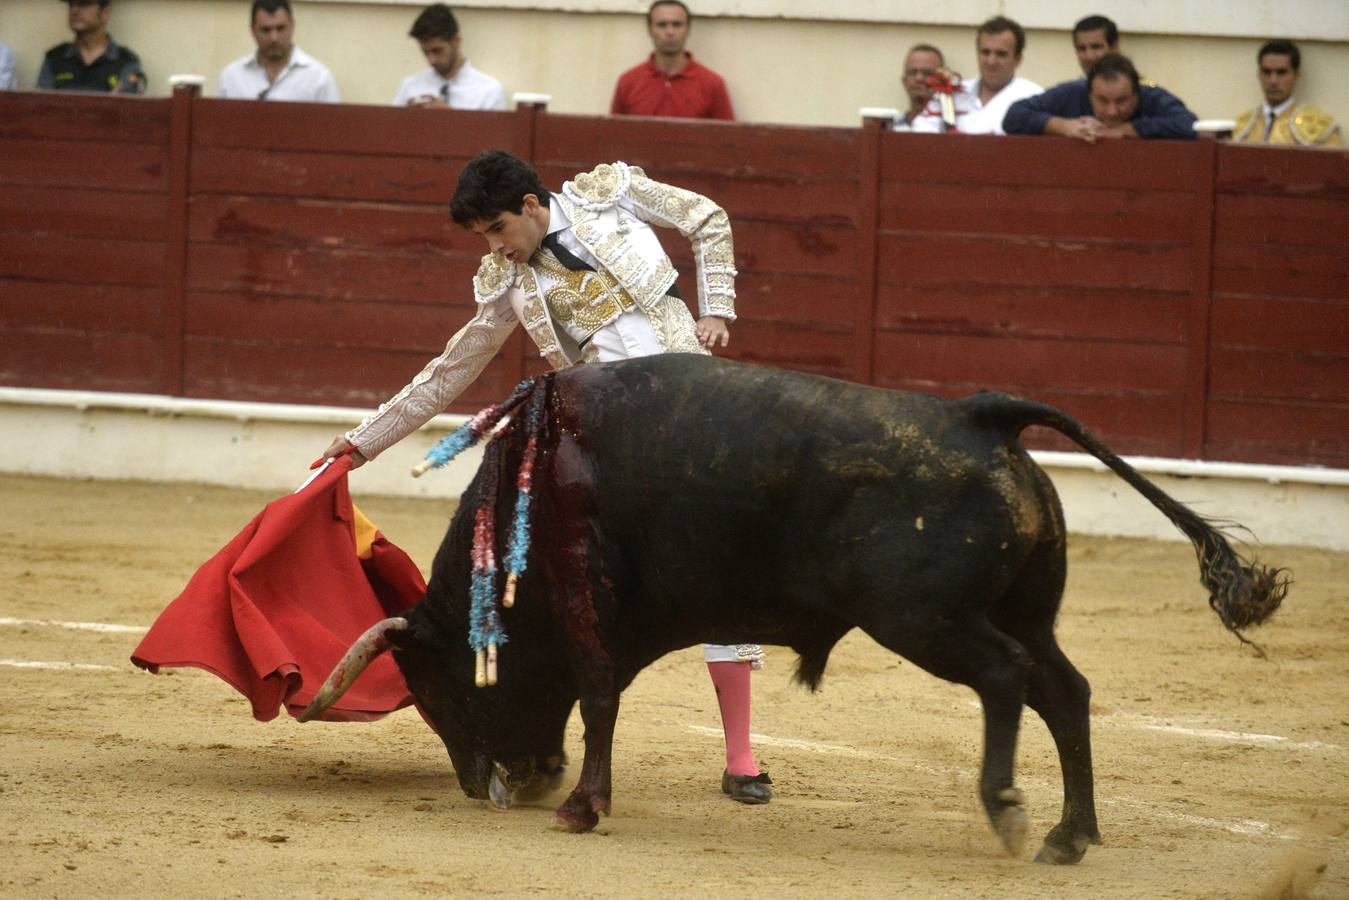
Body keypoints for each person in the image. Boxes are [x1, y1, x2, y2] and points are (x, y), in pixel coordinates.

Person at [320, 150, 773, 804]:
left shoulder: (608, 196)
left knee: (720, 573)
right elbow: (451, 369)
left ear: (531, 206)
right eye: (483, 237)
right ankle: (531, 744)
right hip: (611, 440)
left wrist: (719, 308)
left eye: (498, 229)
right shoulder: (510, 283)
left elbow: (706, 217)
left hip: (693, 412)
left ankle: (740, 758)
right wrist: (362, 444)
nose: (495, 247)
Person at [1003, 53, 1197, 142]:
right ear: (1089, 94)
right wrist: (1064, 126)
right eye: (1102, 101)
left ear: (1137, 94)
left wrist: (1126, 130)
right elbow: (1013, 115)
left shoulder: (1152, 97)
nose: (1112, 111)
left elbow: (1190, 125)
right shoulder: (1072, 93)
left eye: (1121, 101)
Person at [911, 16, 1040, 135]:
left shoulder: (1033, 97)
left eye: (1001, 54)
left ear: (1018, 59)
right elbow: (921, 132)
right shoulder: (951, 93)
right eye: (985, 52)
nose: (991, 62)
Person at [610, 0, 733, 120]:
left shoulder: (712, 85)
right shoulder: (628, 82)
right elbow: (613, 135)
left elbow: (727, 138)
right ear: (650, 29)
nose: (670, 32)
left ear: (688, 29)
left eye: (677, 25)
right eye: (662, 25)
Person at [217, 0, 339, 102]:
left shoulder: (319, 79)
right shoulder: (231, 77)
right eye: (266, 30)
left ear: (292, 27)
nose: (274, 38)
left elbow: (334, 128)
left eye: (280, 29)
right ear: (253, 30)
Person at [393, 3, 506, 110]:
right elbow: (390, 129)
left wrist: (449, 117)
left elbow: (493, 131)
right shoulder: (410, 86)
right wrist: (408, 117)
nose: (431, 60)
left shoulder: (489, 91)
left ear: (456, 41)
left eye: (437, 51)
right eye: (425, 53)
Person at [1232, 40, 1341, 147]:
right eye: (1266, 72)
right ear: (1259, 74)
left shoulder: (1321, 130)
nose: (1273, 81)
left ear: (1297, 75)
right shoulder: (1239, 127)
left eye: (1281, 72)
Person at [37, 0, 145, 94]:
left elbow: (125, 109)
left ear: (105, 13)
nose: (74, 10)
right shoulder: (54, 57)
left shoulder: (126, 60)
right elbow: (41, 108)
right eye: (71, 4)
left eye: (84, 4)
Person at [891, 44, 944, 132]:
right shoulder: (890, 127)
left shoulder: (950, 128)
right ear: (904, 81)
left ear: (942, 81)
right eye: (912, 72)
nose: (919, 78)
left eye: (927, 73)